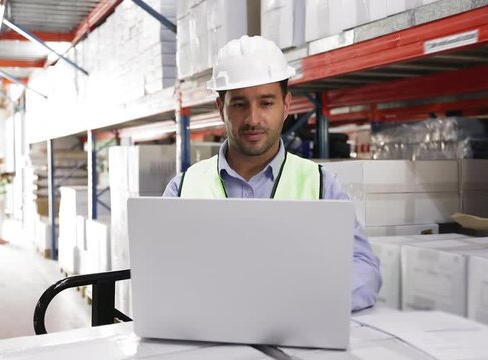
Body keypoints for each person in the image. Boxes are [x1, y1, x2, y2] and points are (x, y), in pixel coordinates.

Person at [162, 35, 381, 311]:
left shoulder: (322, 186)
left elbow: (363, 267)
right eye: (239, 104)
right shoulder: (181, 190)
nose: (253, 119)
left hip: (294, 340)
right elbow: (162, 274)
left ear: (286, 105)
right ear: (221, 109)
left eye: (266, 103)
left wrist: (307, 300)